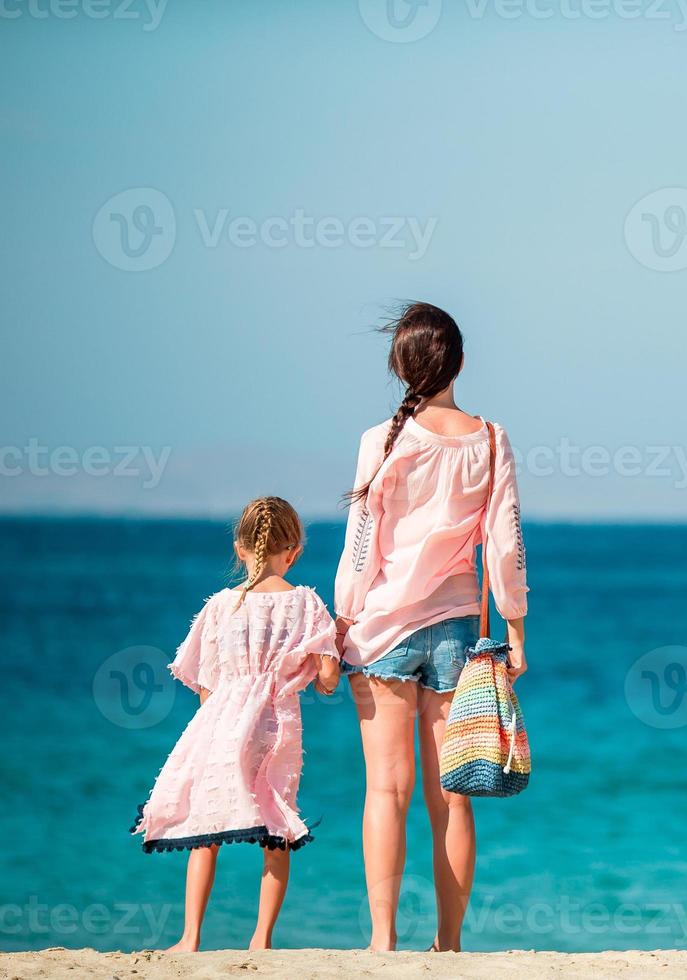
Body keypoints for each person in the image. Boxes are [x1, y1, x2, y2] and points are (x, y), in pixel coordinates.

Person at [334, 302, 528, 952]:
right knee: (455, 795)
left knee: (385, 791)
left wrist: (341, 622)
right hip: (455, 631)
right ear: (461, 364)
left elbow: (361, 546)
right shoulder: (492, 438)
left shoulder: (381, 439)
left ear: (399, 368)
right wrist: (516, 627)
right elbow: (504, 545)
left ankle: (382, 942)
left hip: (382, 628)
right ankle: (448, 944)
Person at [133, 496, 340, 952]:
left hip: (223, 726)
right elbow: (327, 679)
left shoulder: (220, 607)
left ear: (239, 549)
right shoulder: (306, 604)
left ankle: (190, 938)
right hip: (277, 727)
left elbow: (205, 685)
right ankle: (261, 941)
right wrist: (327, 665)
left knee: (205, 829)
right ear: (295, 552)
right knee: (276, 827)